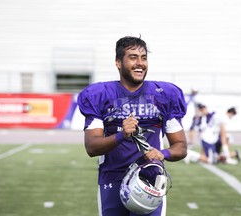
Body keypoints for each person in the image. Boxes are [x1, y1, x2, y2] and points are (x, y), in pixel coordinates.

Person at [77, 36, 187, 216]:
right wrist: (122, 135)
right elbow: (92, 147)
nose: (140, 63)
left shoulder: (164, 95)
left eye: (143, 58)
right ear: (118, 63)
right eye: (133, 57)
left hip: (149, 178)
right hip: (113, 177)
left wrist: (163, 153)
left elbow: (181, 147)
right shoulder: (101, 94)